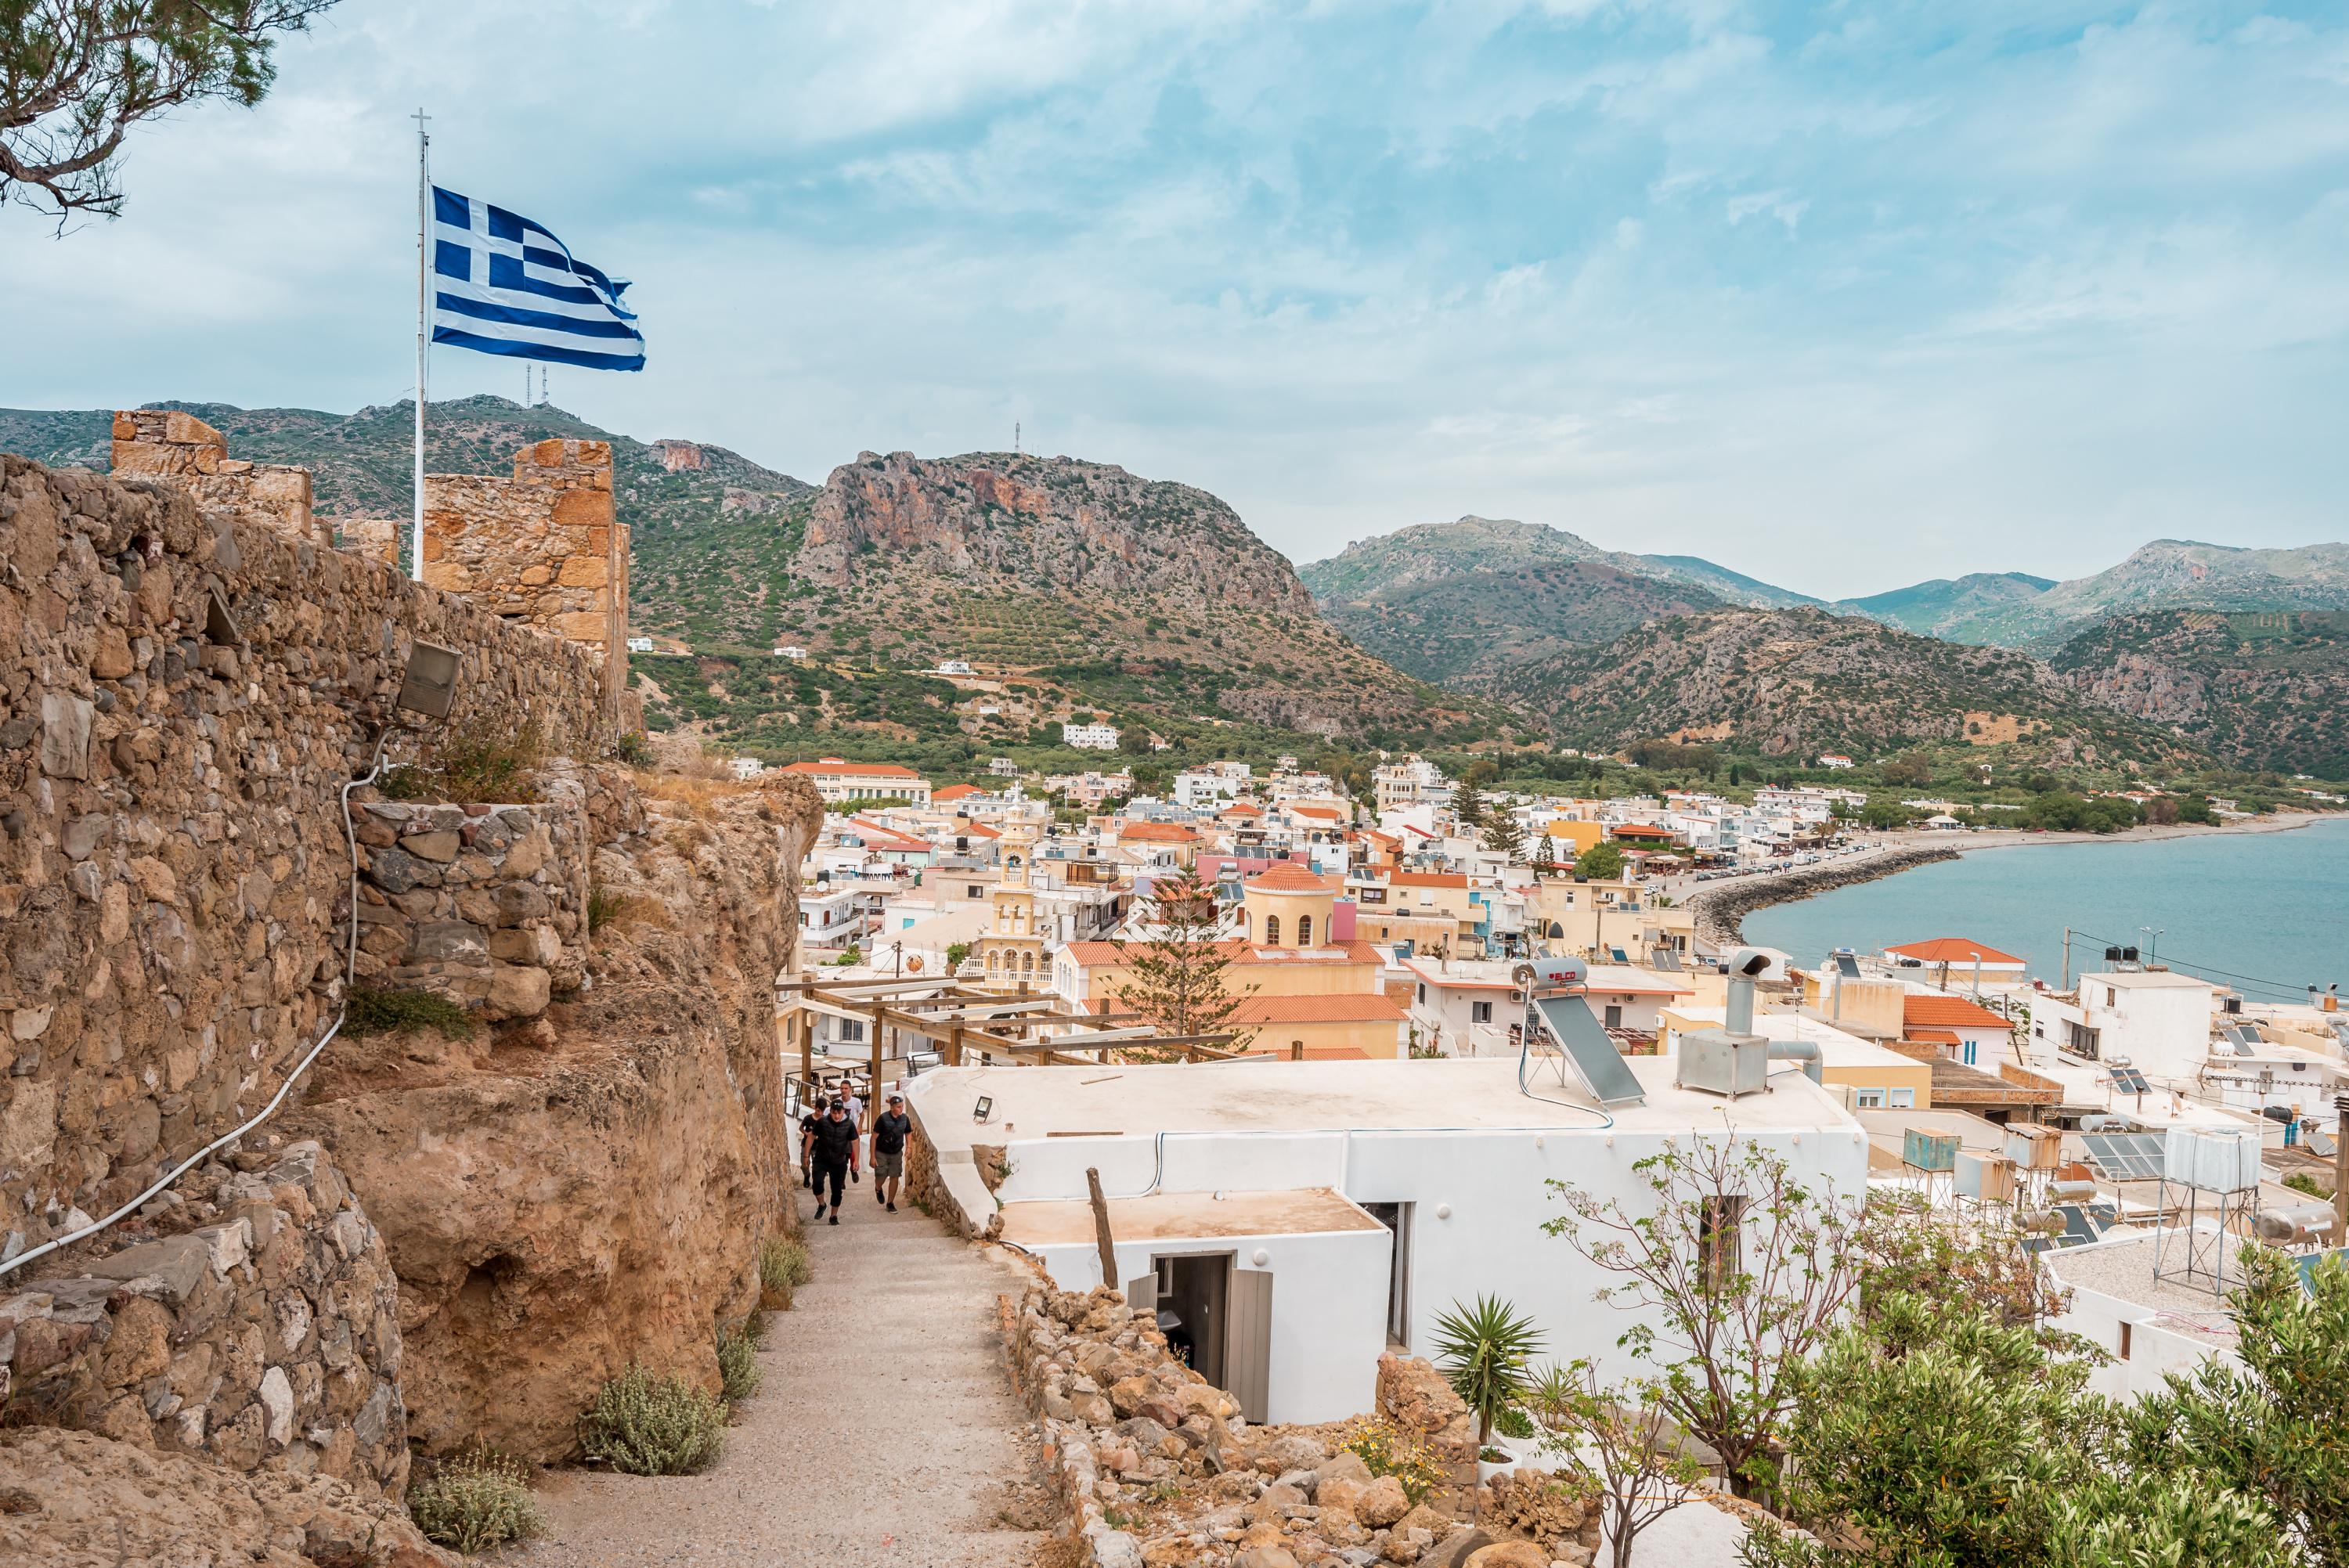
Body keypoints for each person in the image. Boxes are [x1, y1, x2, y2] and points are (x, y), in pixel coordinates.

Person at [808, 1098, 861, 1224]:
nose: (837, 1115)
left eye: (839, 1112)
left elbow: (855, 1141)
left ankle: (833, 1216)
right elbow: (811, 1136)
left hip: (839, 1161)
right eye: (834, 1112)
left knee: (837, 1190)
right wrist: (806, 1156)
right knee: (817, 1184)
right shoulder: (822, 1122)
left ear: (843, 1111)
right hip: (821, 1159)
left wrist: (856, 1160)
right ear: (830, 1111)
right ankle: (822, 1205)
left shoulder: (849, 1124)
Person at [871, 1092, 911, 1212]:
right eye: (898, 1107)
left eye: (902, 1106)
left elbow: (908, 1132)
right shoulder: (883, 1119)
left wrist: (909, 1147)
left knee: (895, 1176)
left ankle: (890, 1203)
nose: (901, 1109)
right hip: (881, 1152)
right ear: (892, 1107)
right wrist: (872, 1156)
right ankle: (878, 1188)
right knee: (881, 1175)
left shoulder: (905, 1119)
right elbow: (874, 1137)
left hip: (896, 1152)